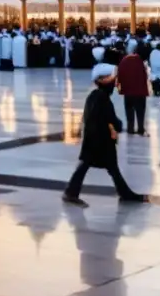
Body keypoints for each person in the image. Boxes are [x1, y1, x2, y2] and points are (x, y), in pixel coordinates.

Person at [62, 63, 148, 208]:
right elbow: (102, 118)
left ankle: (125, 194)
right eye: (110, 78)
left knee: (108, 168)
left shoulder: (98, 96)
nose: (114, 81)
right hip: (98, 141)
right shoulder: (100, 97)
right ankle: (71, 193)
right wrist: (116, 126)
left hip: (98, 140)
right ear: (101, 80)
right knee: (91, 166)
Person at [117, 42, 150, 136]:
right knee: (140, 111)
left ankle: (130, 128)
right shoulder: (141, 62)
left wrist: (121, 87)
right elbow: (145, 77)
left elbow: (120, 73)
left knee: (129, 110)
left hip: (127, 91)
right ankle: (140, 128)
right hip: (140, 92)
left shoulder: (125, 59)